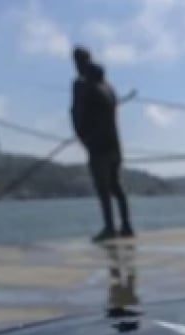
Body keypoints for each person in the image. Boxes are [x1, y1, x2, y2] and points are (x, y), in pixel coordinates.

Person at [71, 49, 133, 241]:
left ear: (80, 63)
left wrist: (82, 135)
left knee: (103, 188)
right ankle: (126, 226)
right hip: (114, 144)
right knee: (117, 186)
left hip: (98, 146)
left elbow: (77, 113)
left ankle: (109, 228)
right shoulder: (109, 87)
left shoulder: (83, 86)